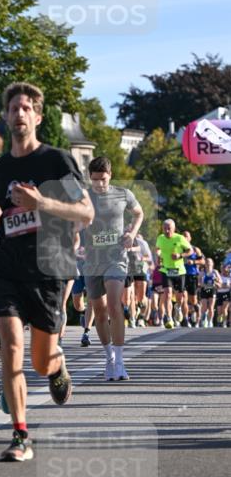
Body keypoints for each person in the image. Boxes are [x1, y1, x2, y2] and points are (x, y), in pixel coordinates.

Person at [0, 82, 94, 462]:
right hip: (7, 268)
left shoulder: (55, 162)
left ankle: (57, 367)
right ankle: (20, 435)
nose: (19, 113)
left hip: (49, 268)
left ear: (38, 116)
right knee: (10, 346)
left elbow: (86, 212)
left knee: (41, 361)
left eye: (26, 107)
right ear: (6, 116)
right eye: (13, 108)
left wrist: (41, 201)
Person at [82, 156, 144, 381]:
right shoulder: (83, 196)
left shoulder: (123, 194)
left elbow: (139, 213)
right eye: (95, 179)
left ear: (110, 175)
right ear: (90, 177)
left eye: (103, 179)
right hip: (91, 260)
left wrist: (132, 234)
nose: (99, 184)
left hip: (116, 257)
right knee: (98, 310)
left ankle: (120, 361)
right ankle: (108, 357)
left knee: (115, 304)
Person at [155, 219, 192, 329]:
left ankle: (178, 308)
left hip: (179, 271)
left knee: (180, 297)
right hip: (166, 270)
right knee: (167, 294)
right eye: (164, 228)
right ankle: (169, 318)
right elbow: (157, 249)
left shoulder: (180, 238)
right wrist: (158, 255)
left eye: (169, 228)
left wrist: (180, 255)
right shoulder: (160, 238)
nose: (166, 231)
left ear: (174, 229)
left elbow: (190, 251)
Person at [181, 231, 204, 327]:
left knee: (193, 300)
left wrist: (193, 261)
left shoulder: (195, 249)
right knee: (183, 298)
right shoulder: (179, 249)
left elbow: (203, 261)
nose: (185, 238)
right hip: (182, 275)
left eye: (186, 236)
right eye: (183, 236)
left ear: (190, 238)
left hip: (192, 276)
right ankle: (185, 319)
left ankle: (197, 315)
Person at [198, 258, 220, 327]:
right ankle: (204, 319)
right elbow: (198, 283)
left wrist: (216, 282)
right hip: (204, 290)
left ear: (212, 264)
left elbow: (220, 282)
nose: (208, 264)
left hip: (212, 290)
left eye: (209, 262)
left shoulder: (215, 272)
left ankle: (210, 321)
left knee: (211, 307)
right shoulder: (202, 272)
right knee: (204, 307)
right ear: (205, 264)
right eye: (207, 262)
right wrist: (204, 285)